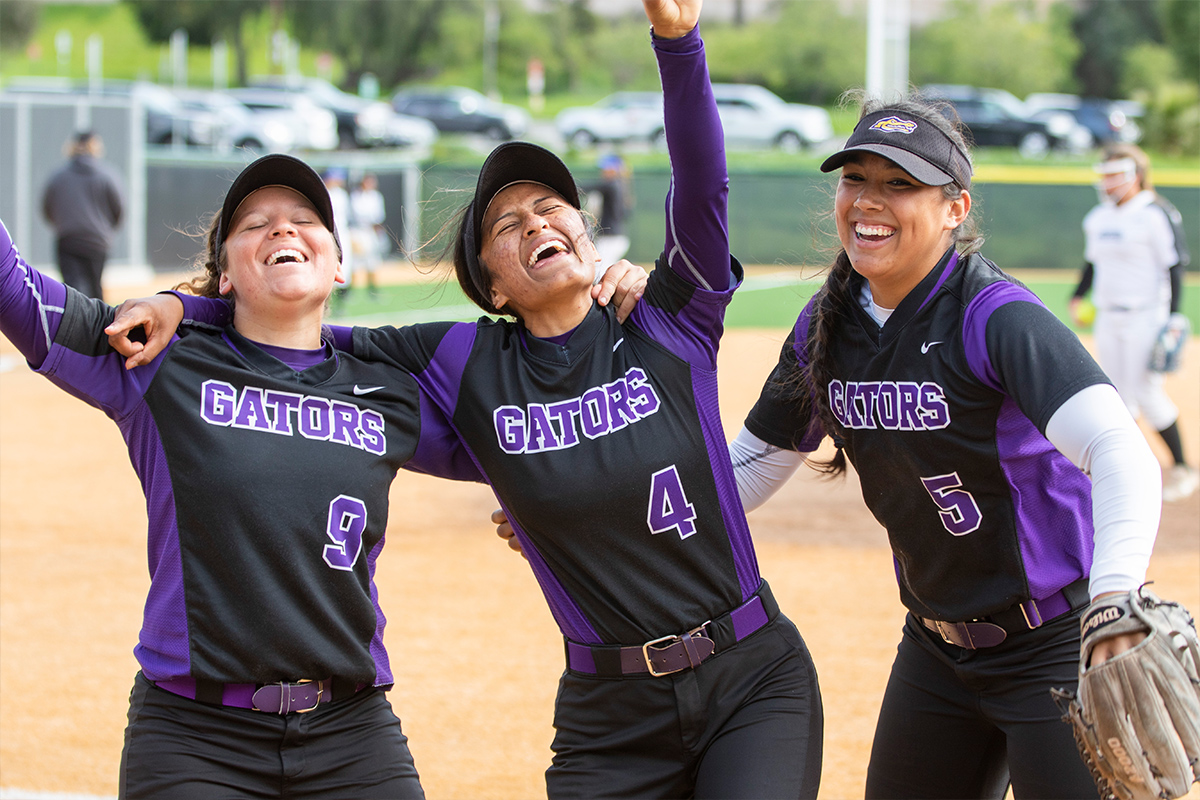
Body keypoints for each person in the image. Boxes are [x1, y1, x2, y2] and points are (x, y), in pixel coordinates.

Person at [108, 2, 825, 796]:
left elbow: (702, 179)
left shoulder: (668, 318)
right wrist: (190, 303)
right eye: (507, 223)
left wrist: (677, 40)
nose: (535, 221)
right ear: (491, 285)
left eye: (551, 208)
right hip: (610, 711)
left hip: (751, 675)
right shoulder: (461, 360)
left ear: (587, 233)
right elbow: (292, 323)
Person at [2, 153, 490, 798]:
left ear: (339, 262)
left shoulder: (389, 391)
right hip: (193, 736)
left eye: (305, 219)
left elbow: (541, 454)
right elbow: (19, 295)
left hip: (352, 728)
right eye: (255, 224)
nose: (282, 230)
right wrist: (183, 309)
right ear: (224, 274)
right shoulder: (157, 357)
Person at [726, 95, 1165, 798]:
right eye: (855, 179)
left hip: (1058, 646)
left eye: (899, 184)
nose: (869, 202)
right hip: (935, 653)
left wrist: (1114, 600)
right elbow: (743, 472)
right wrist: (591, 507)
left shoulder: (996, 317)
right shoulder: (825, 325)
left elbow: (1120, 451)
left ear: (955, 208)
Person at [1070, 144, 1196, 503]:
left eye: (1114, 175)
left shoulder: (1155, 213)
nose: (1107, 182)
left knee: (1147, 392)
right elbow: (1092, 263)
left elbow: (1174, 265)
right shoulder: (1099, 217)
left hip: (1146, 315)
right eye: (1104, 174)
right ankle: (1128, 471)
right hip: (1109, 316)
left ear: (1135, 176)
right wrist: (1080, 295)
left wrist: (1173, 316)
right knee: (1116, 395)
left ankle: (1184, 468)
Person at [41, 130, 124, 300]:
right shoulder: (107, 176)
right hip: (97, 242)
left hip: (68, 239)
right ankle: (102, 326)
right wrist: (105, 230)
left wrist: (62, 225)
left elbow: (47, 208)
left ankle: (74, 326)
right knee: (95, 288)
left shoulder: (58, 176)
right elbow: (119, 209)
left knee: (71, 292)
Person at [583, 152, 632, 276]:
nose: (602, 172)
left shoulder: (611, 185)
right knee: (602, 272)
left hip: (611, 239)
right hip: (617, 238)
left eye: (605, 168)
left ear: (613, 169)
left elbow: (587, 187)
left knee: (599, 273)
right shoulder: (621, 186)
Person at [349, 173, 387, 298]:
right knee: (355, 264)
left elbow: (379, 216)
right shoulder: (356, 196)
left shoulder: (376, 196)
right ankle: (350, 292)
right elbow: (356, 215)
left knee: (373, 263)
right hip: (358, 231)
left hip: (371, 232)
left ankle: (373, 291)